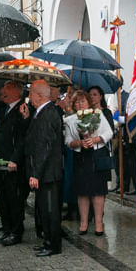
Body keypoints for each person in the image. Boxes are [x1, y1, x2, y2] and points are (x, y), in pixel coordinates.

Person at [64, 90, 114, 236]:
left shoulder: (97, 115)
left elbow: (109, 133)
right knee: (82, 192)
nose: (80, 104)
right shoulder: (70, 120)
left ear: (88, 102)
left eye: (83, 101)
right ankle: (84, 223)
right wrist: (79, 143)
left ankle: (98, 223)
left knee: (98, 191)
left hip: (97, 155)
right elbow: (68, 141)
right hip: (81, 157)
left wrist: (95, 139)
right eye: (77, 102)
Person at [25, 80, 64, 257]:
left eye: (31, 93)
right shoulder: (42, 112)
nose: (29, 97)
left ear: (38, 95)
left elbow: (44, 147)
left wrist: (36, 174)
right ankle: (48, 241)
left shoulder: (48, 113)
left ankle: (53, 245)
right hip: (46, 172)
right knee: (45, 209)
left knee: (50, 210)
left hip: (48, 173)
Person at [0, 81, 30, 247]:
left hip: (13, 162)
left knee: (14, 198)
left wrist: (15, 159)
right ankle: (7, 228)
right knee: (3, 196)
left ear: (16, 91)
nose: (2, 92)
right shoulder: (3, 108)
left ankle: (16, 231)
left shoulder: (23, 109)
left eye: (6, 89)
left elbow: (23, 139)